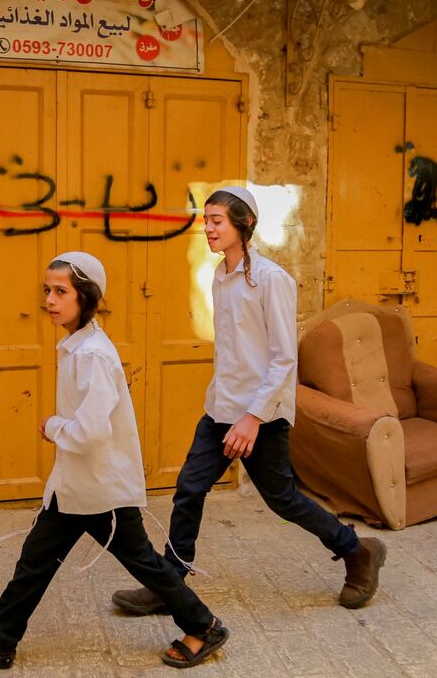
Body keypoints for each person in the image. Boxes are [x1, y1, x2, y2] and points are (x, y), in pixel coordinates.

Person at [111, 186, 386, 616]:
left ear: (246, 225)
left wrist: (253, 419)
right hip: (222, 407)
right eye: (206, 220)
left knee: (282, 500)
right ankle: (171, 585)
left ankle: (358, 551)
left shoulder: (272, 280)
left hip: (262, 414)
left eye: (217, 220)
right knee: (189, 489)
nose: (208, 228)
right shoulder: (221, 276)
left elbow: (283, 358)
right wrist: (227, 408)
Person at [0, 252, 229, 670]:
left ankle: (204, 627)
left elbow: (91, 430)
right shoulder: (77, 345)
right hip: (78, 485)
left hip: (101, 487)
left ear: (86, 296)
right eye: (48, 290)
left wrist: (55, 426)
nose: (50, 300)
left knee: (145, 564)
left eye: (62, 291)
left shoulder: (92, 354)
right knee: (36, 562)